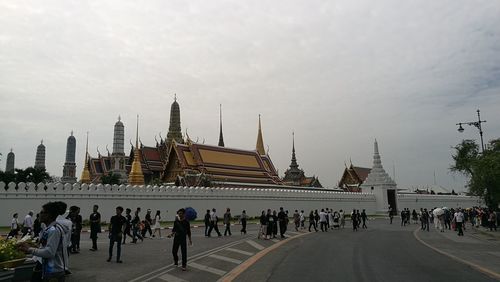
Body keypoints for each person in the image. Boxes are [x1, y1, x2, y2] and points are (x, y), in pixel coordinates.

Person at [19, 202, 69, 282]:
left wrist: (29, 249)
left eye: (42, 212)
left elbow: (49, 253)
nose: (39, 214)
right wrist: (32, 246)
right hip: (49, 269)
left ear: (48, 215)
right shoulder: (49, 229)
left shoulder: (53, 230)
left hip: (53, 271)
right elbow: (46, 247)